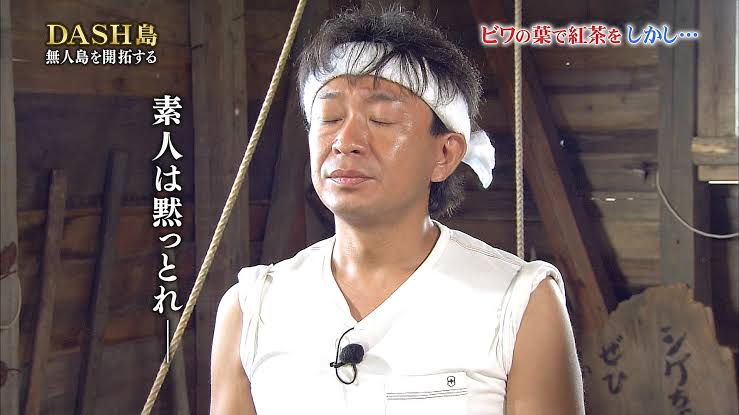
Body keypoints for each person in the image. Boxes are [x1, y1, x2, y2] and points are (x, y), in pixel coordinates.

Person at [211, 6, 584, 415]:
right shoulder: (251, 309)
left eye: (381, 119)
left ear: (445, 154)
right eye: (329, 118)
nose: (345, 141)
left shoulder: (521, 302)